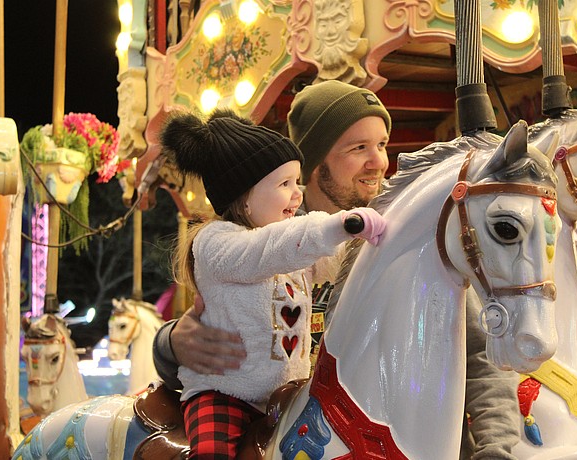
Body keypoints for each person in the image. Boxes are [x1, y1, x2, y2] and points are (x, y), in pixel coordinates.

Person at [154, 80, 521, 459]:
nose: (379, 161)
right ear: (313, 164)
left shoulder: (404, 241)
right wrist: (170, 344)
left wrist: (494, 445)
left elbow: (480, 355)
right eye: (358, 147)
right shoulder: (258, 242)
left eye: (380, 144)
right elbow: (222, 313)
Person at [160, 108, 385, 458]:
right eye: (285, 184)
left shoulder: (290, 247)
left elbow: (340, 258)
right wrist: (339, 224)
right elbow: (269, 250)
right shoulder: (219, 244)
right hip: (224, 394)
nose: (297, 194)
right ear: (244, 197)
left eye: (297, 182)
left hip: (287, 394)